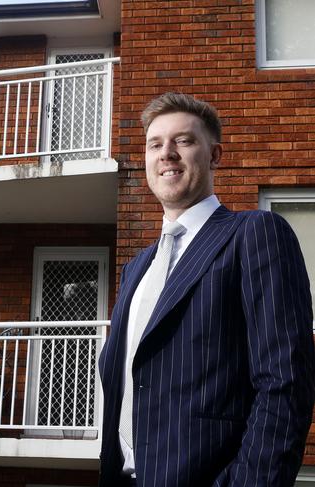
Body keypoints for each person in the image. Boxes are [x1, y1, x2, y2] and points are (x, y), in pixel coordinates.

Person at [98, 92, 315, 486]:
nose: (167, 153)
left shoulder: (255, 234)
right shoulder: (136, 269)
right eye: (155, 144)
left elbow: (285, 382)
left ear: (215, 155)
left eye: (183, 140)